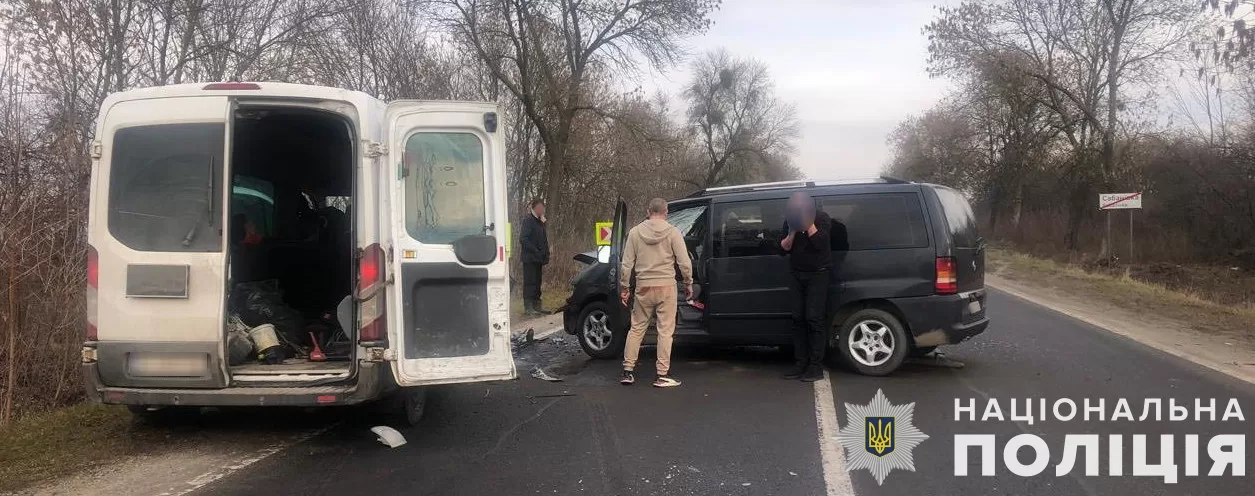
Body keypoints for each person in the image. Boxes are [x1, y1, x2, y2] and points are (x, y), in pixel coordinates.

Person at [620, 198, 692, 388]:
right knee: (665, 331)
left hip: (643, 287)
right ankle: (662, 375)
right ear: (666, 212)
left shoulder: (635, 233)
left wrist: (625, 288)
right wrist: (688, 283)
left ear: (648, 210)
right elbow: (684, 262)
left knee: (636, 329)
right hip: (666, 287)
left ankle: (627, 372)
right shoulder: (673, 232)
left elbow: (626, 264)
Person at [780, 192, 833, 382]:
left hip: (818, 274)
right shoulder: (790, 221)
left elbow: (821, 243)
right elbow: (784, 248)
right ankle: (800, 363)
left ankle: (815, 366)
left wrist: (809, 223)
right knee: (798, 318)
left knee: (814, 318)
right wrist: (793, 231)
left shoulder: (822, 218)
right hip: (796, 274)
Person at [520, 198, 550, 315]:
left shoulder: (540, 221)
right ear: (534, 208)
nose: (542, 210)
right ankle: (528, 307)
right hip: (530, 258)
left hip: (538, 259)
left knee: (537, 282)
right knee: (530, 282)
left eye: (543, 207)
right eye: (540, 207)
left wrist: (546, 253)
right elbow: (523, 239)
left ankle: (537, 306)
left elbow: (543, 239)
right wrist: (535, 250)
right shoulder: (528, 220)